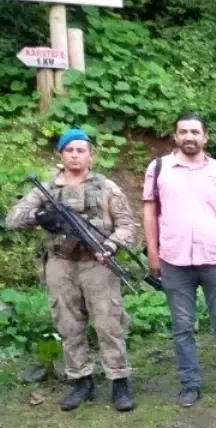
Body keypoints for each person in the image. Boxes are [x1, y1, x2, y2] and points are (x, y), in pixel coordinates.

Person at [5, 128, 137, 412]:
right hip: (60, 264)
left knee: (108, 323)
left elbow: (127, 226)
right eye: (69, 150)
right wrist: (41, 217)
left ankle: (119, 381)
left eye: (81, 150)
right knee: (68, 325)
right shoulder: (47, 188)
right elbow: (12, 219)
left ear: (91, 155)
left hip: (97, 263)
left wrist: (111, 247)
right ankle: (81, 381)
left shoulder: (106, 187)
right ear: (61, 154)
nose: (75, 155)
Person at [143, 112, 216, 407]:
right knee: (182, 327)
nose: (189, 137)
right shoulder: (159, 169)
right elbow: (150, 213)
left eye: (195, 132)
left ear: (205, 137)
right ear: (175, 135)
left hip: (215, 259)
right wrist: (153, 253)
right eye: (184, 132)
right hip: (174, 260)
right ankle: (189, 384)